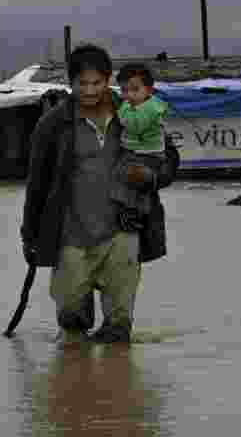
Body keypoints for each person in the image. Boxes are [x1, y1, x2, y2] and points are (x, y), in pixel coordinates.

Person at [20, 43, 178, 347]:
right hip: (70, 235)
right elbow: (37, 184)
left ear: (109, 81)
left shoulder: (137, 113)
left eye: (97, 83)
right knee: (71, 323)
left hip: (123, 230)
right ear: (71, 83)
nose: (90, 90)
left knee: (119, 331)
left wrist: (150, 177)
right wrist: (30, 236)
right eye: (82, 83)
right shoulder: (52, 125)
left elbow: (167, 159)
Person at [111, 63, 169, 228]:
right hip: (136, 153)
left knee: (130, 179)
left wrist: (123, 113)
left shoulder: (150, 108)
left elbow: (135, 125)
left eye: (135, 90)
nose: (129, 95)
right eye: (124, 90)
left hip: (148, 155)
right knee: (124, 178)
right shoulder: (131, 106)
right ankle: (132, 212)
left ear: (149, 90)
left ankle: (133, 213)